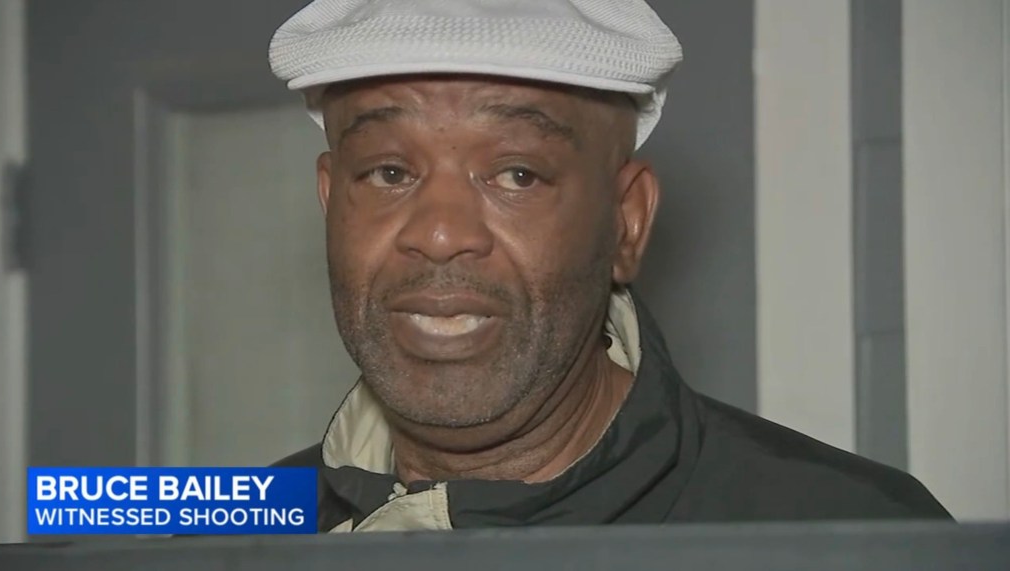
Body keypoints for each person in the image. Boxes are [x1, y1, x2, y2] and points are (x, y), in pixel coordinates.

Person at [267, 0, 951, 532]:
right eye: (389, 171)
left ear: (627, 220)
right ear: (331, 202)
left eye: (517, 174)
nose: (441, 233)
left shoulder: (849, 534)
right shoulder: (225, 529)